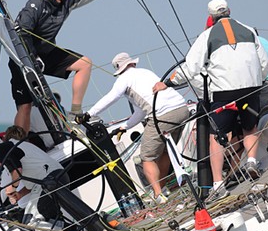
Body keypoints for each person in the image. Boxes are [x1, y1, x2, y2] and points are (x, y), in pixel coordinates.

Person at [171, 0, 268, 198]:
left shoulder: (207, 36)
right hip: (251, 88)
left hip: (225, 94)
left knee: (217, 137)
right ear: (229, 11)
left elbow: (191, 67)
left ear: (211, 16)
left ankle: (217, 184)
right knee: (250, 127)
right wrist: (258, 79)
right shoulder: (249, 30)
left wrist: (170, 82)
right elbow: (264, 63)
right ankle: (251, 161)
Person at [8, 0, 127, 133]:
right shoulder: (34, 6)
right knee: (25, 105)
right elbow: (21, 33)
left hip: (47, 53)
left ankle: (75, 113)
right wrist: (33, 57)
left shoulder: (66, 0)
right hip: (23, 58)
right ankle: (18, 142)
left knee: (84, 63)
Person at [77, 52, 189, 203]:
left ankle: (158, 196)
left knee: (147, 158)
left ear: (119, 70)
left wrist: (88, 114)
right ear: (132, 64)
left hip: (163, 115)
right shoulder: (145, 72)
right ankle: (162, 190)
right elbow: (141, 111)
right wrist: (124, 127)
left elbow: (111, 97)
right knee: (164, 152)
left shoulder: (124, 79)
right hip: (182, 109)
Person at [0, 140, 128, 231]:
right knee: (50, 216)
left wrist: (13, 187)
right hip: (57, 176)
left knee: (32, 223)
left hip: (48, 182)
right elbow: (29, 181)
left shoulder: (1, 150)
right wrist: (20, 193)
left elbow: (16, 168)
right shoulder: (19, 145)